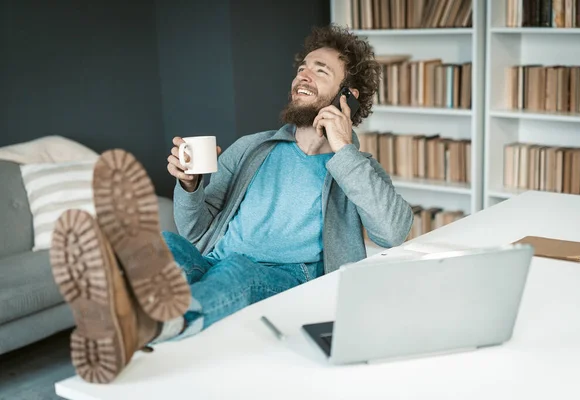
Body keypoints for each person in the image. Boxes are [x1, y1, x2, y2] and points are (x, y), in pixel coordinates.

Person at [50, 24, 413, 384]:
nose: (303, 74)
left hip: (287, 278)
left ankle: (141, 325)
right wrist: (189, 186)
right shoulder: (251, 148)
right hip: (213, 261)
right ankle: (126, 316)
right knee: (165, 242)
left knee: (236, 270)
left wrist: (344, 149)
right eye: (302, 66)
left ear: (347, 97)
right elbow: (194, 232)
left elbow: (394, 231)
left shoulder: (354, 168)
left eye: (321, 70)